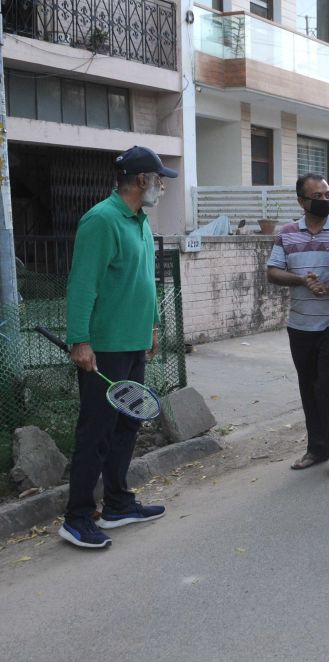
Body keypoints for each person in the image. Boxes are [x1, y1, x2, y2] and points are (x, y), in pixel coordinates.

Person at [60, 146, 177, 548]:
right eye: (159, 179)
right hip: (105, 346)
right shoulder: (102, 220)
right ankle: (76, 517)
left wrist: (153, 325)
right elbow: (82, 284)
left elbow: (144, 279)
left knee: (127, 424)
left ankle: (117, 503)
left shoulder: (139, 221)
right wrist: (80, 340)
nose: (162, 186)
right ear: (142, 180)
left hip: (134, 341)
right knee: (97, 430)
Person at [268, 174, 329, 479]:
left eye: (327, 194)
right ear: (301, 201)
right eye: (317, 196)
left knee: (328, 384)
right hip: (300, 323)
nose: (325, 200)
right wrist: (301, 280)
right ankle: (316, 448)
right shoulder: (287, 234)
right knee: (308, 385)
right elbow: (273, 272)